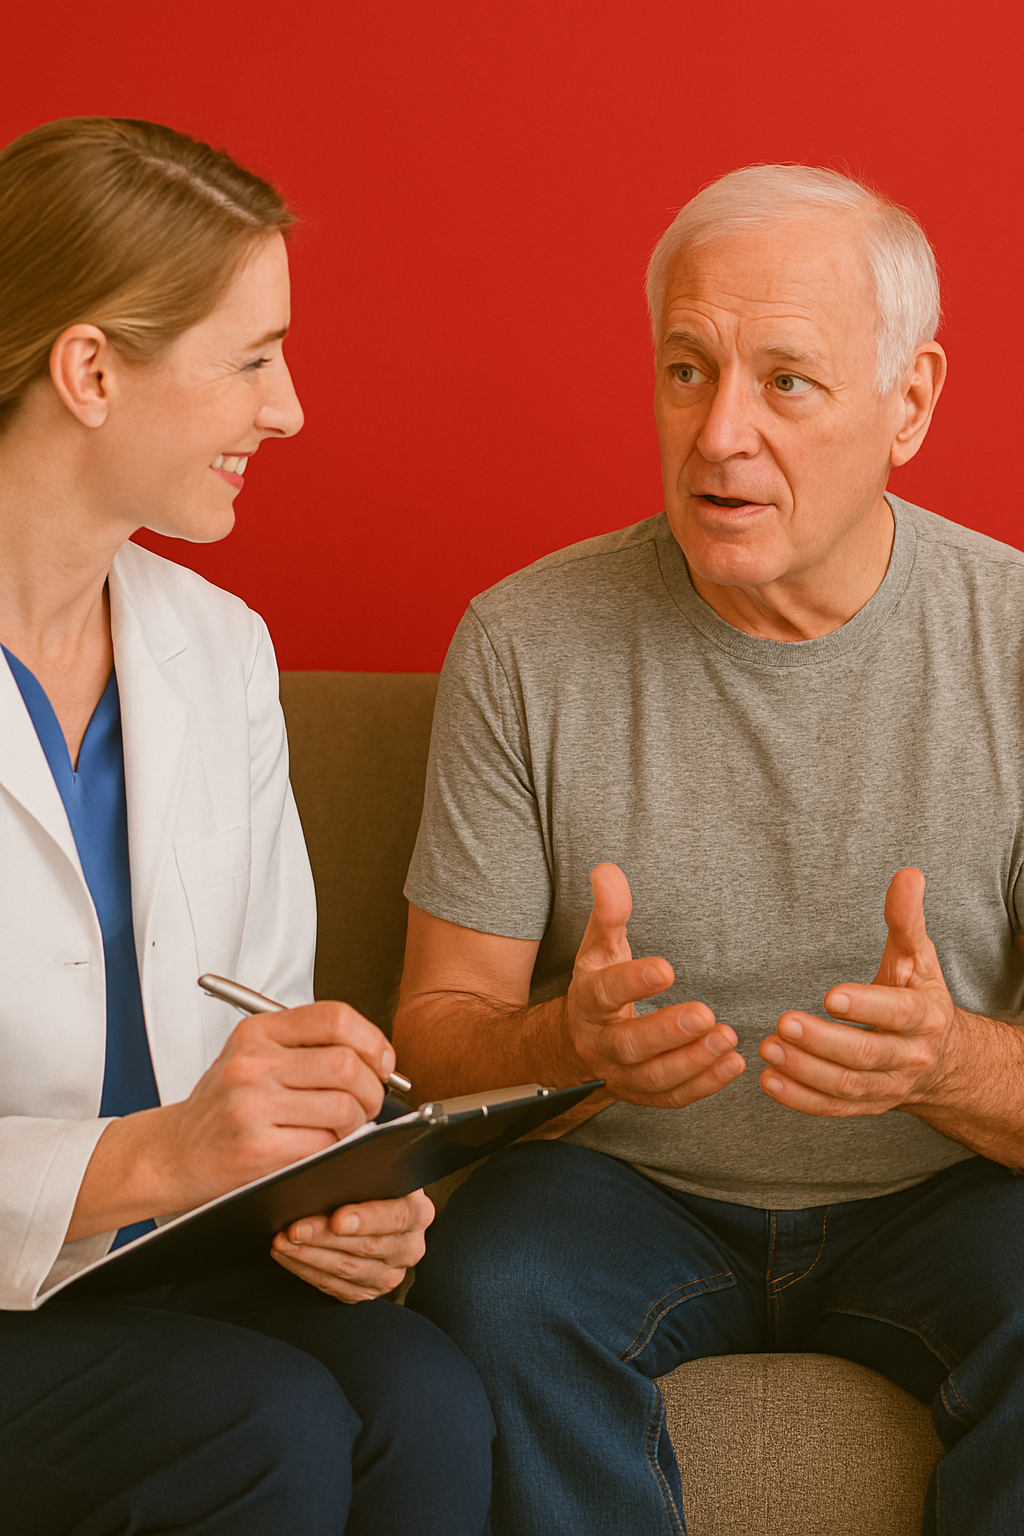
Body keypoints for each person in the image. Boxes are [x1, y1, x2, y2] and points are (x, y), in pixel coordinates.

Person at [392, 164, 1024, 1535]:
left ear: (909, 402)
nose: (717, 434)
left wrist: (946, 1058)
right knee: (486, 1285)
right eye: (686, 370)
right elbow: (433, 1040)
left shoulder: (1015, 640)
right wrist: (569, 1044)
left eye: (786, 383)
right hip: (624, 1190)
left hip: (945, 1192)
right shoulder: (525, 640)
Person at [0, 117, 493, 1536]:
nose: (288, 411)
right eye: (252, 357)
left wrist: (328, 1191)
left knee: (425, 1399)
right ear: (91, 371)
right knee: (256, 1426)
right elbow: (178, 1139)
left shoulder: (218, 650)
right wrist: (159, 1158)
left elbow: (259, 1024)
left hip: (146, 1272)